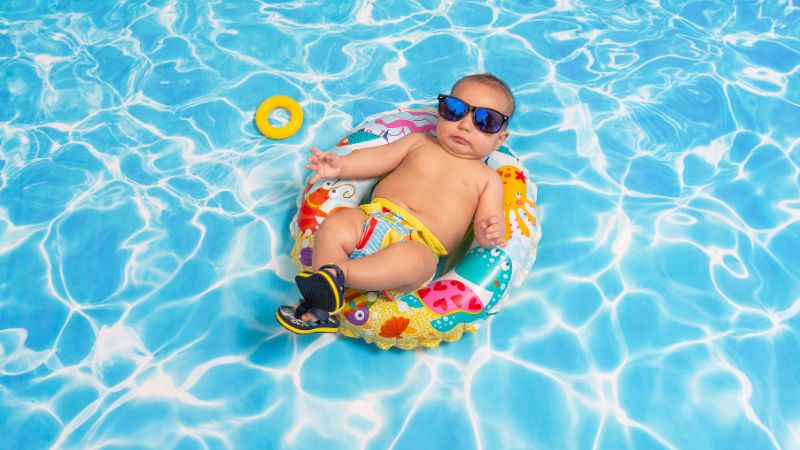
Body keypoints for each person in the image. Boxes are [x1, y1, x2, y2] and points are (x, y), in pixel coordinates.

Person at [276, 73, 515, 334]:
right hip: (372, 220)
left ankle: (336, 275)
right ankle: (320, 306)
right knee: (335, 224)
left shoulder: (488, 179)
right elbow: (377, 159)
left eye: (485, 121)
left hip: (420, 243)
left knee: (413, 261)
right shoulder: (418, 143)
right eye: (455, 110)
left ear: (500, 138)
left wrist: (488, 231)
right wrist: (341, 165)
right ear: (440, 111)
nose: (465, 125)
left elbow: (489, 220)